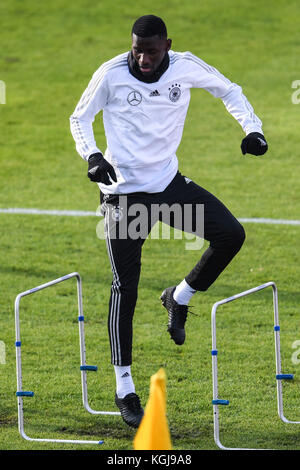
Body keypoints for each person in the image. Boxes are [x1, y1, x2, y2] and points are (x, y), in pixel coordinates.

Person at [70, 15, 268, 428]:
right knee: (126, 286)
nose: (142, 58)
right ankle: (125, 389)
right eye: (137, 49)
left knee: (230, 234)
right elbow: (79, 117)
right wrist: (92, 156)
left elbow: (229, 90)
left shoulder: (186, 65)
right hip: (124, 197)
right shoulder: (111, 74)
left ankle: (179, 296)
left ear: (167, 46)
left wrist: (252, 129)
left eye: (151, 51)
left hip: (170, 187)